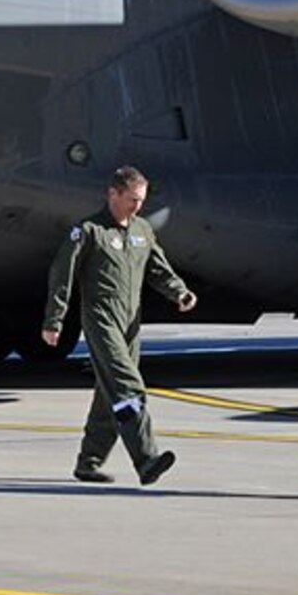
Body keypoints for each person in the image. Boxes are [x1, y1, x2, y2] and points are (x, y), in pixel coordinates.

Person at [42, 166, 197, 486]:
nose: (137, 206)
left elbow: (158, 267)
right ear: (112, 194)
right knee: (129, 387)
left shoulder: (141, 230)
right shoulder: (89, 231)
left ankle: (89, 461)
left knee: (108, 393)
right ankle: (146, 458)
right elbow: (62, 275)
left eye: (141, 200)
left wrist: (179, 291)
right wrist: (54, 319)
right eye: (131, 199)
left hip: (131, 323)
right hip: (101, 320)